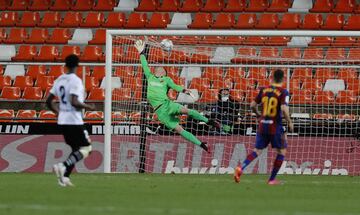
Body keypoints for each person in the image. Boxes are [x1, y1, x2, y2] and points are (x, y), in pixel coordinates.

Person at [134, 39, 220, 153]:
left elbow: (175, 87)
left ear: (164, 73)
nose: (159, 68)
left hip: (167, 104)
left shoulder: (166, 80)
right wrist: (141, 52)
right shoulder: (150, 76)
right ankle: (202, 145)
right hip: (160, 112)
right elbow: (144, 64)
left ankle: (209, 122)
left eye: (162, 69)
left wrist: (184, 90)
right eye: (158, 68)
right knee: (179, 130)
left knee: (186, 110)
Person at [234, 69, 294, 185]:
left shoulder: (264, 90)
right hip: (275, 126)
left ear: (272, 77)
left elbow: (252, 105)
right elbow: (284, 109)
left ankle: (241, 168)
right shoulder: (283, 92)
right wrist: (290, 122)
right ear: (283, 78)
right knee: (281, 151)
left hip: (263, 125)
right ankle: (271, 179)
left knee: (257, 151)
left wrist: (257, 115)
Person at [46, 54, 95, 187]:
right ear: (77, 66)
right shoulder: (76, 81)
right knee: (87, 148)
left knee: (75, 149)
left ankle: (64, 178)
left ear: (65, 65)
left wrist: (57, 112)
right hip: (74, 121)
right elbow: (74, 102)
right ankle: (63, 165)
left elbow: (48, 100)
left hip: (62, 121)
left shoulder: (60, 79)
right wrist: (88, 106)